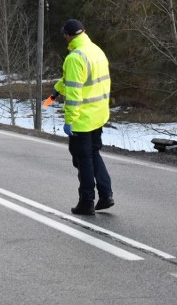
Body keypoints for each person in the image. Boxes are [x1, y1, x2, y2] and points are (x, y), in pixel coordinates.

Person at [52, 19, 114, 216]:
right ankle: (106, 195)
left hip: (82, 119)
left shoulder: (74, 58)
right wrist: (57, 89)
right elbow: (78, 80)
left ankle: (86, 201)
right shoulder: (95, 50)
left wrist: (69, 120)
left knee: (83, 159)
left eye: (65, 35)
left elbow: (74, 93)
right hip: (98, 115)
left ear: (68, 36)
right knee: (94, 154)